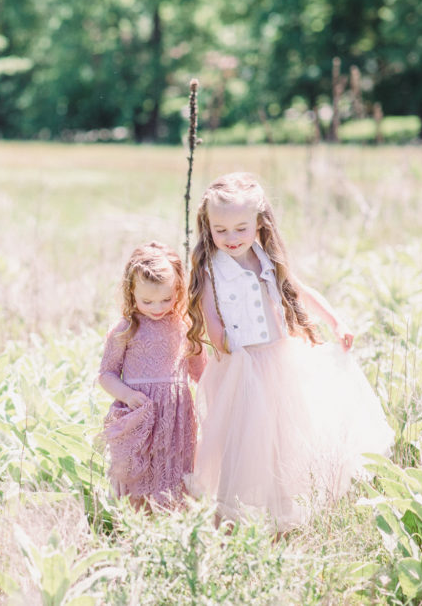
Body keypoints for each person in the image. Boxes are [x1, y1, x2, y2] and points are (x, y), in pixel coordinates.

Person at [184, 172, 393, 531]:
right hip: (241, 368)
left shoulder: (266, 259)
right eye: (221, 230)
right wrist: (227, 344)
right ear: (207, 226)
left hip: (282, 363)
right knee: (242, 445)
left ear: (259, 223)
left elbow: (300, 291)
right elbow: (211, 319)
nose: (231, 238)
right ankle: (228, 520)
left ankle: (283, 517)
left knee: (284, 441)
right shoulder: (211, 270)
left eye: (240, 228)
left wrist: (336, 322)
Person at [97, 242, 207, 510]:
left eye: (166, 299)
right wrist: (127, 395)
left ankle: (170, 522)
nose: (157, 307)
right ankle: (138, 523)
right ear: (130, 291)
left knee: (173, 467)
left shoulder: (184, 326)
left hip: (175, 416)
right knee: (139, 470)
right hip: (140, 412)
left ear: (178, 290)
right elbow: (106, 374)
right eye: (147, 301)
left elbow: (200, 373)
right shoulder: (125, 329)